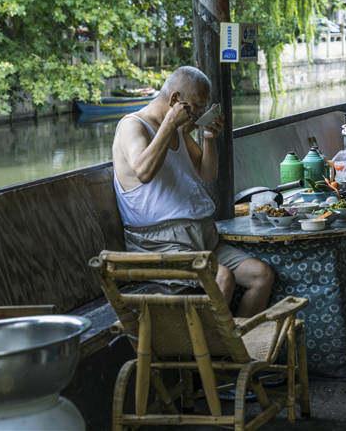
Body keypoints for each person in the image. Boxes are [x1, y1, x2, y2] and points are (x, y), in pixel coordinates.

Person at [112, 66, 275, 317]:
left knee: (261, 275)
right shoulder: (133, 126)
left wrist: (209, 137)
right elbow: (143, 172)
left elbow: (207, 173)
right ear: (175, 100)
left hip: (202, 238)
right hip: (160, 245)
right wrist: (169, 124)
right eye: (197, 107)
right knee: (222, 278)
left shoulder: (179, 130)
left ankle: (237, 349)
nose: (199, 114)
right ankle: (210, 354)